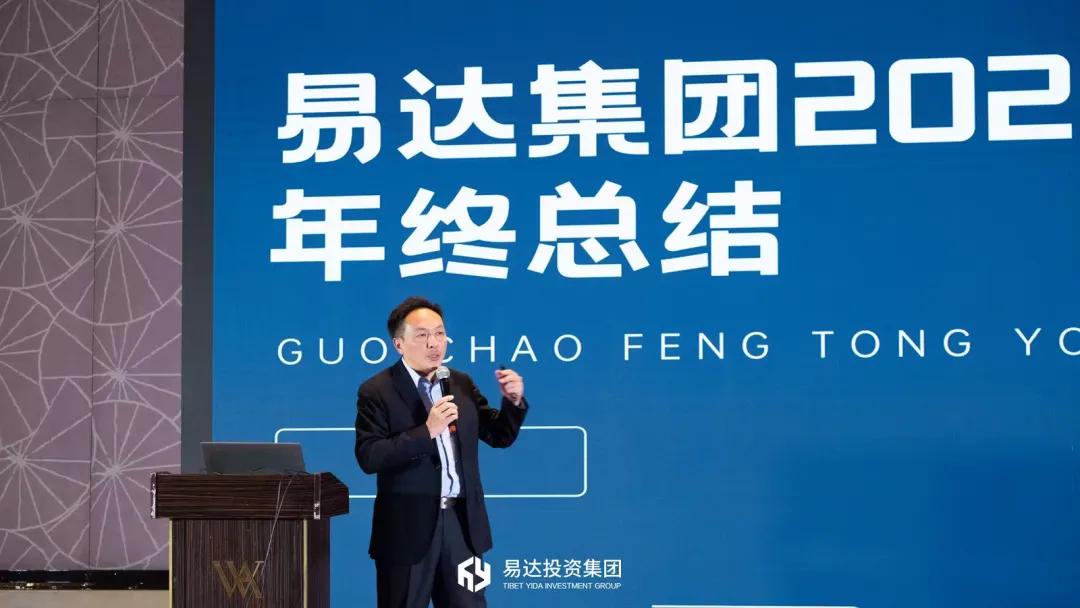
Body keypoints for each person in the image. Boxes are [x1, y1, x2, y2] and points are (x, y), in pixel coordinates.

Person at [354, 296, 528, 607]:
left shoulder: (460, 383)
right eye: (422, 335)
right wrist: (427, 431)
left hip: (463, 528)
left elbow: (499, 435)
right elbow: (370, 456)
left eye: (439, 333)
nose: (434, 343)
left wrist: (512, 402)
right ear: (399, 344)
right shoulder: (377, 390)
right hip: (406, 532)